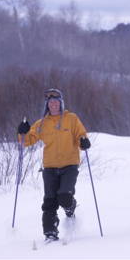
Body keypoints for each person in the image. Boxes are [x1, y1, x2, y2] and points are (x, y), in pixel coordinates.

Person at [17, 88, 91, 241]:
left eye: (56, 101)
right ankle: (50, 232)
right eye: (50, 102)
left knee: (64, 195)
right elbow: (27, 141)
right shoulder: (41, 123)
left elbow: (80, 135)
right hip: (50, 166)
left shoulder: (71, 118)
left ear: (61, 103)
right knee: (50, 199)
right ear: (47, 105)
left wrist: (83, 141)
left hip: (69, 164)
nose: (53, 104)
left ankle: (70, 208)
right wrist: (22, 132)